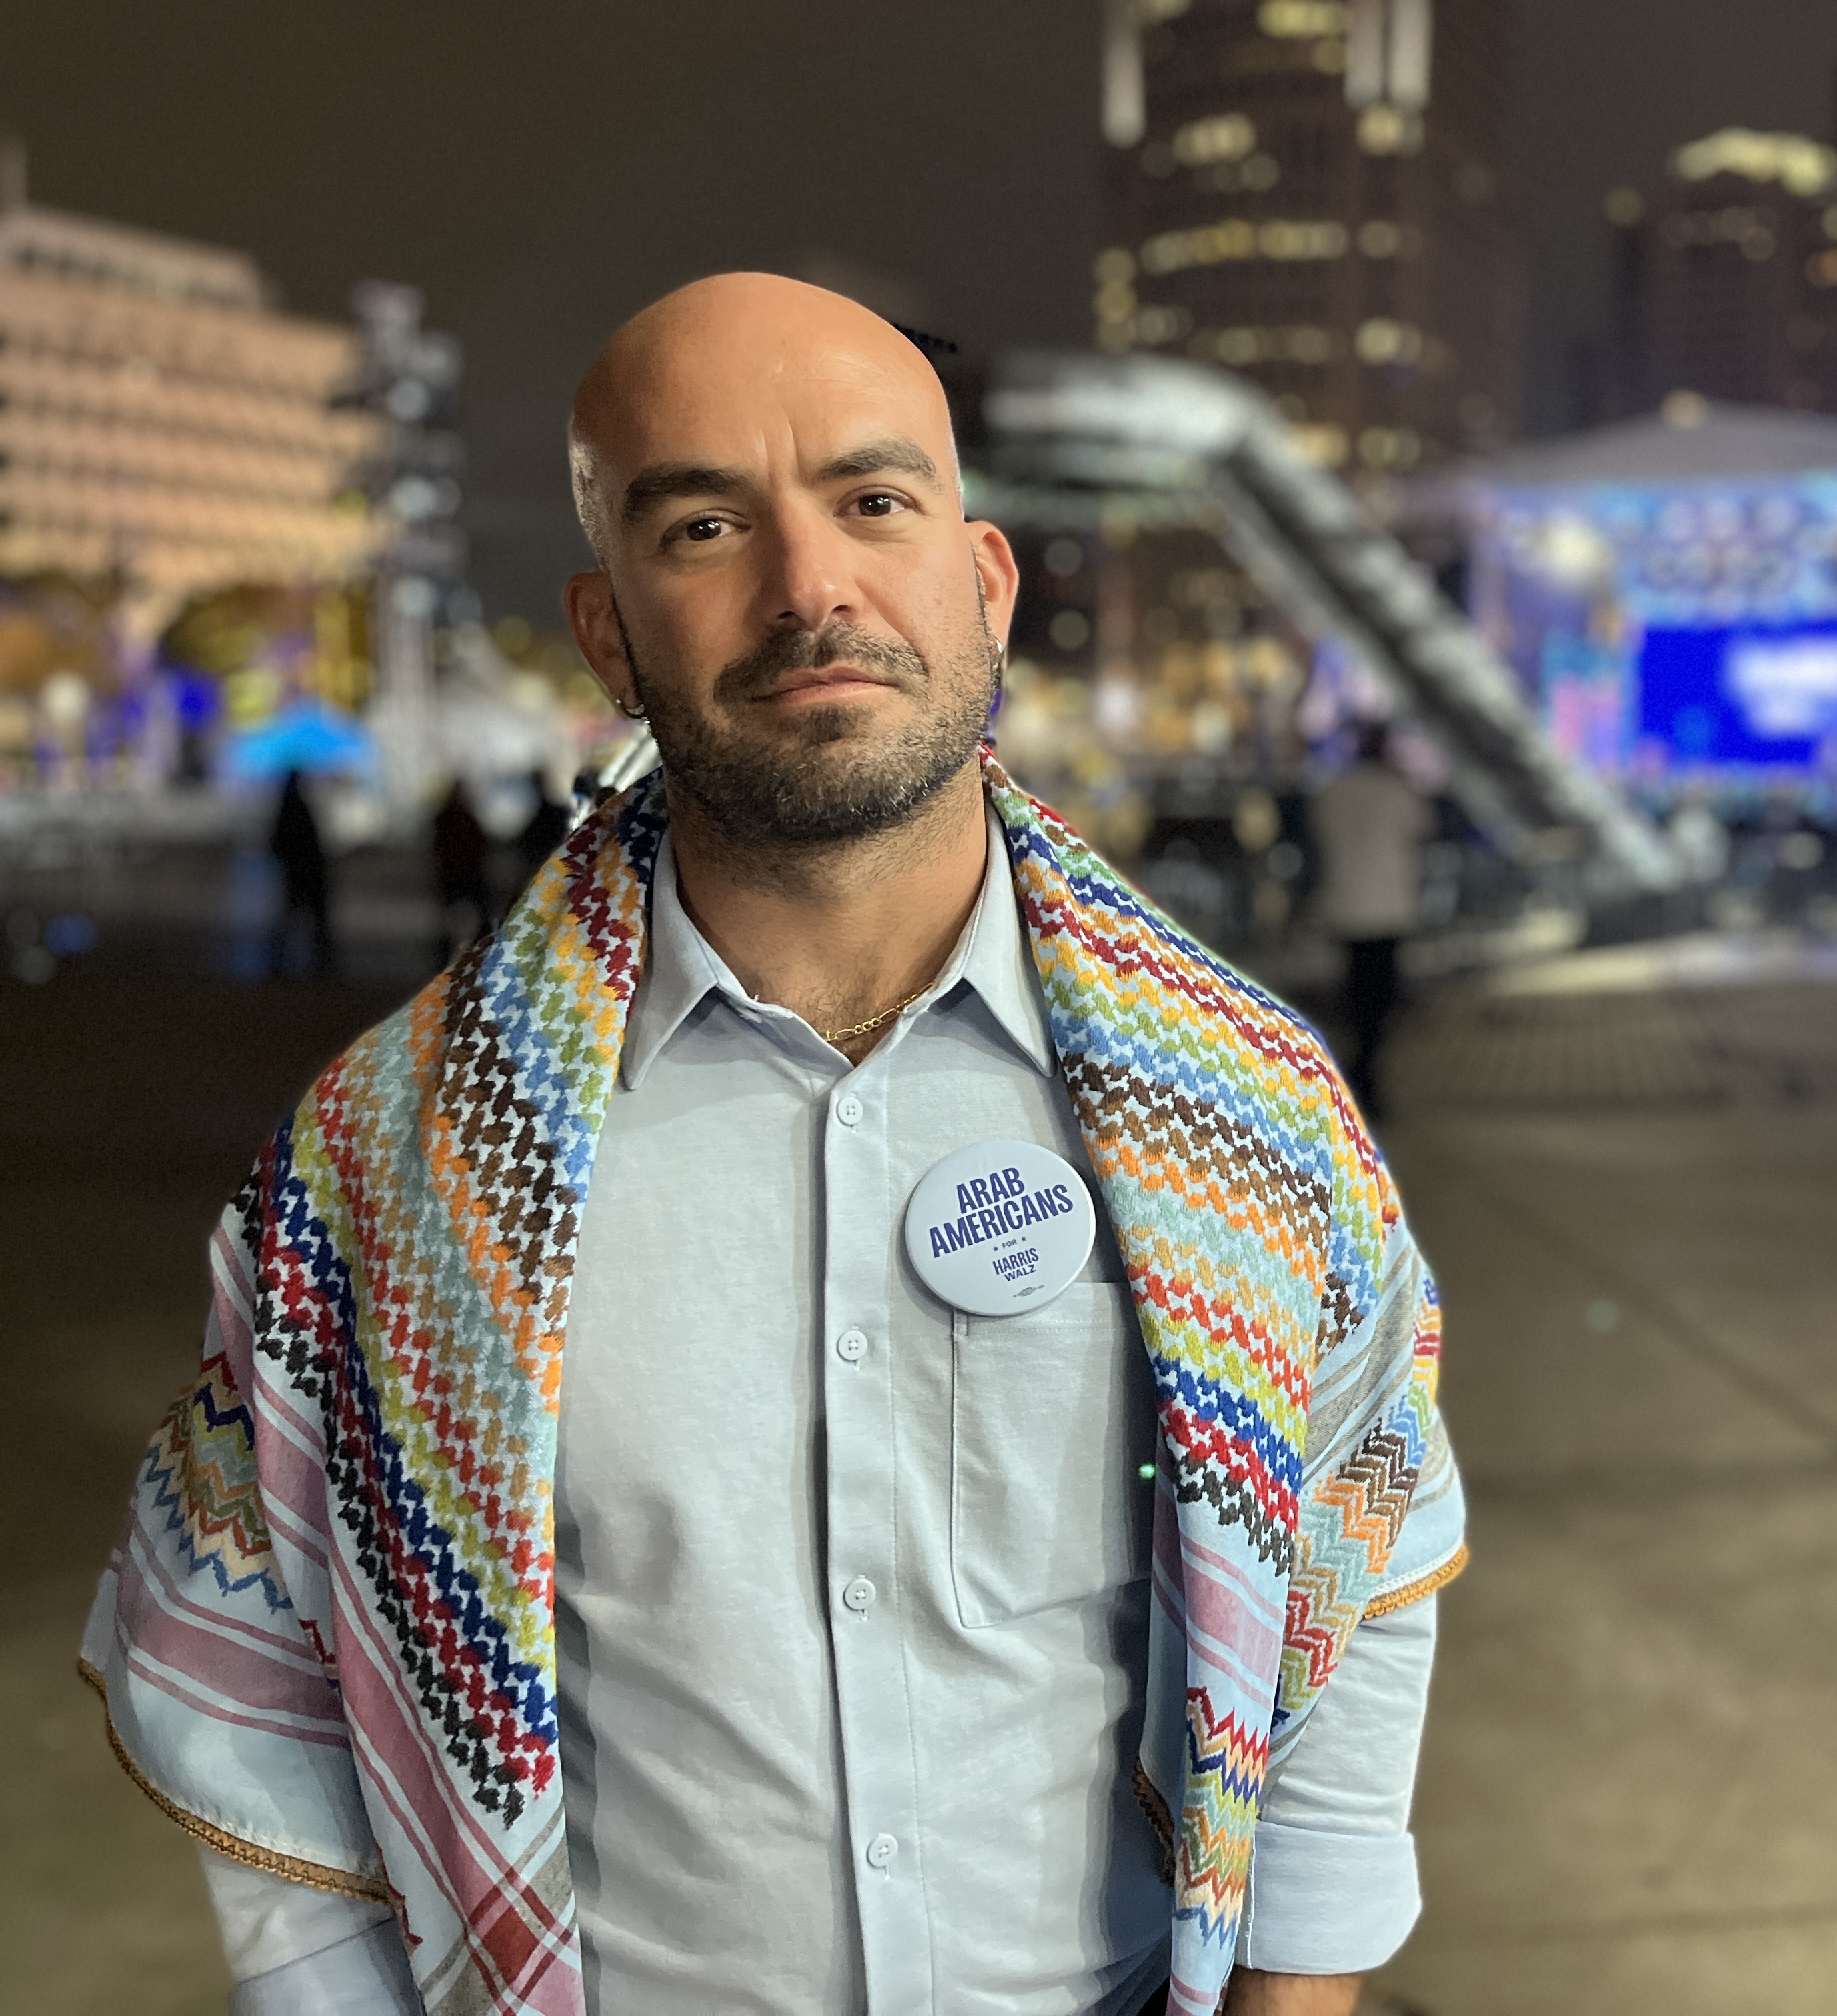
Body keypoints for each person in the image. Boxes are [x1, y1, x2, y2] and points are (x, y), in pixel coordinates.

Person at [79, 275, 1464, 2016]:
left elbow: (1357, 1538)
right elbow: (271, 1683)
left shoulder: (1248, 1111)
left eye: (876, 501)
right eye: (709, 523)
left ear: (985, 581)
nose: (812, 588)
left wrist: (1296, 1999)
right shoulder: (388, 1175)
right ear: (608, 634)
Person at [1310, 722, 1430, 1117]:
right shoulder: (1397, 792)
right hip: (1389, 908)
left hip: (1346, 906)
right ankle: (1366, 1075)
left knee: (1355, 992)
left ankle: (1357, 1072)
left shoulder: (1334, 792)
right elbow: (1423, 828)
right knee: (1381, 999)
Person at [266, 769, 331, 975]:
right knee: (308, 918)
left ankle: (285, 962)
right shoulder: (297, 808)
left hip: (298, 872)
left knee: (294, 917)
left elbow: (277, 843)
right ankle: (320, 963)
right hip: (304, 872)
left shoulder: (289, 808)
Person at [430, 777, 495, 960]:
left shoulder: (445, 818)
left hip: (454, 873)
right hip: (466, 873)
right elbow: (481, 844)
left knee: (450, 917)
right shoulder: (462, 818)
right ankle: (482, 950)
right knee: (479, 914)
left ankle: (445, 955)